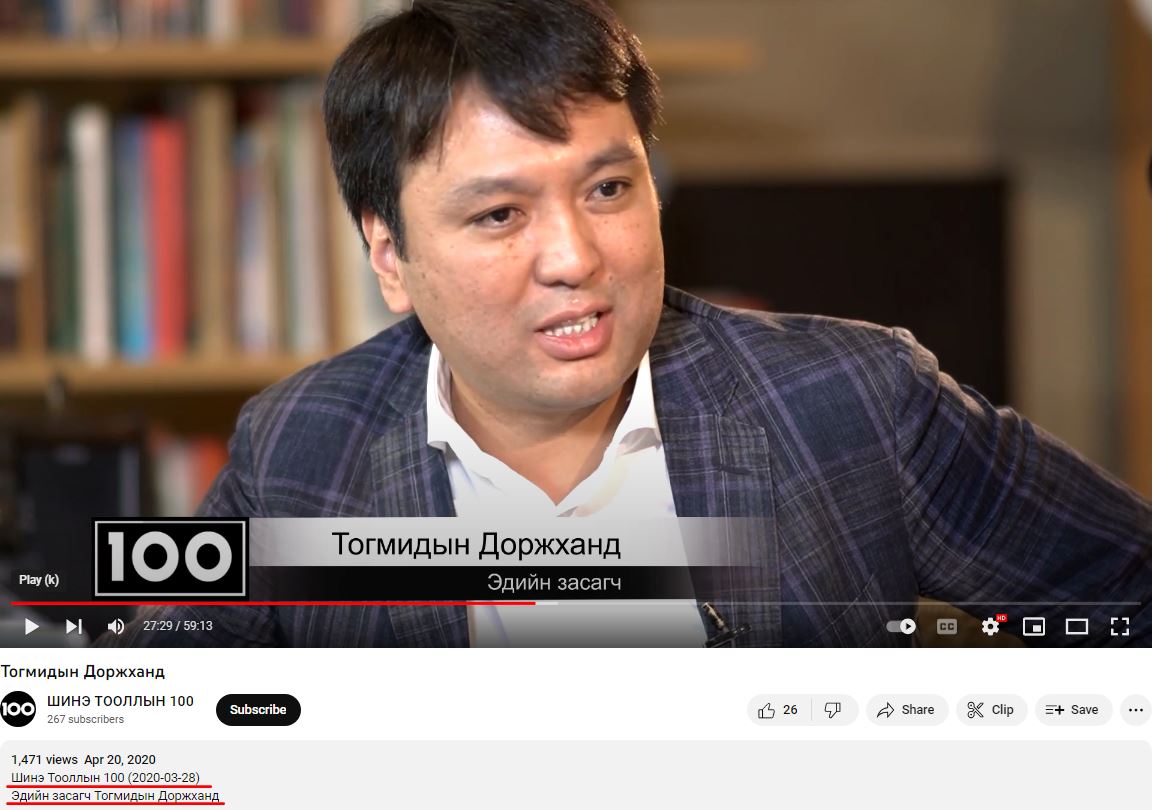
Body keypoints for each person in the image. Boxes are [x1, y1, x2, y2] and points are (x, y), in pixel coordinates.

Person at [99, 0, 1150, 648]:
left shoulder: (853, 404)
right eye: (499, 215)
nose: (575, 258)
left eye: (608, 189)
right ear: (391, 259)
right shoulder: (300, 445)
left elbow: (1128, 592)